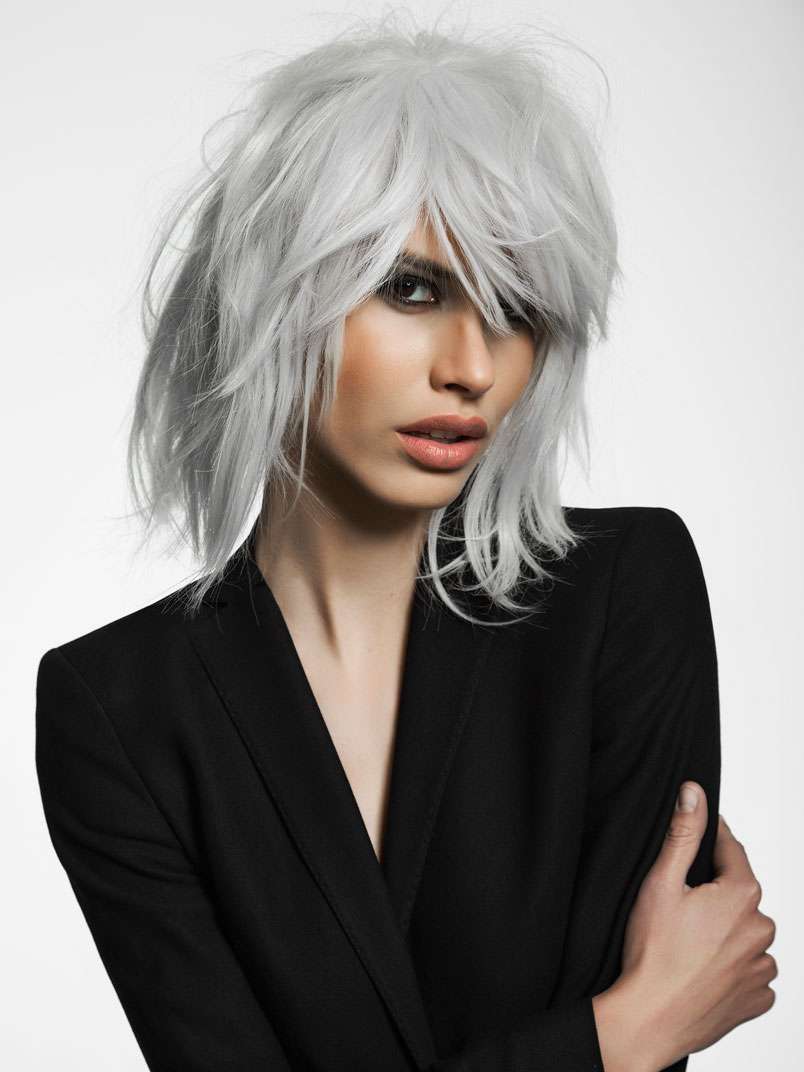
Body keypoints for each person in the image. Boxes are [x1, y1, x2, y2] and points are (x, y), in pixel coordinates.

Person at [34, 14, 777, 1071]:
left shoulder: (620, 597)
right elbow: (643, 1034)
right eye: (412, 288)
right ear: (269, 298)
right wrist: (624, 1031)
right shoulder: (117, 708)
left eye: (517, 307)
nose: (473, 366)